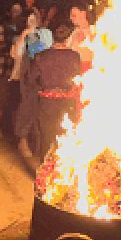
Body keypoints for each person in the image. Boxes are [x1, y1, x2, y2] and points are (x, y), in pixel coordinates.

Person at [27, 22, 82, 161]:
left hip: (47, 102)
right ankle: (62, 169)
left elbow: (31, 79)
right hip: (68, 103)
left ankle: (44, 169)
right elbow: (79, 77)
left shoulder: (41, 56)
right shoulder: (75, 56)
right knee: (65, 136)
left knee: (46, 137)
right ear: (67, 38)